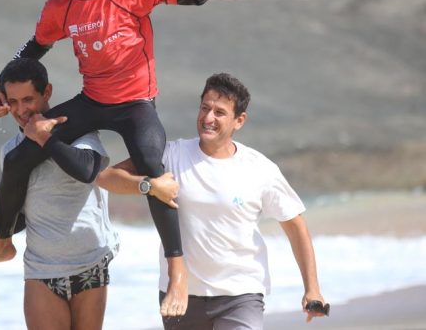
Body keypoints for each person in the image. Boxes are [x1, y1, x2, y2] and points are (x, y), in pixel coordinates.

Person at [0, 0, 233, 316]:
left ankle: (178, 270)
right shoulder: (60, 7)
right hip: (93, 99)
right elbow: (33, 49)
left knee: (154, 169)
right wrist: (0, 82)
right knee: (20, 155)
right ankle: (1, 239)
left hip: (137, 104)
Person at [97, 73, 329, 329]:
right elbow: (107, 177)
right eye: (205, 108)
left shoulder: (260, 169)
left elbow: (295, 226)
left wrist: (312, 289)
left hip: (241, 294)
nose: (208, 118)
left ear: (239, 120)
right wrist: (148, 185)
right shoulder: (171, 154)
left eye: (219, 112)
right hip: (180, 294)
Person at [0, 58, 177, 329]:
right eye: (13, 102)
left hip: (89, 262)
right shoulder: (11, 151)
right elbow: (24, 215)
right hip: (42, 268)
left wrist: (45, 138)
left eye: (28, 99)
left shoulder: (79, 133)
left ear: (47, 93)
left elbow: (87, 170)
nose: (21, 110)